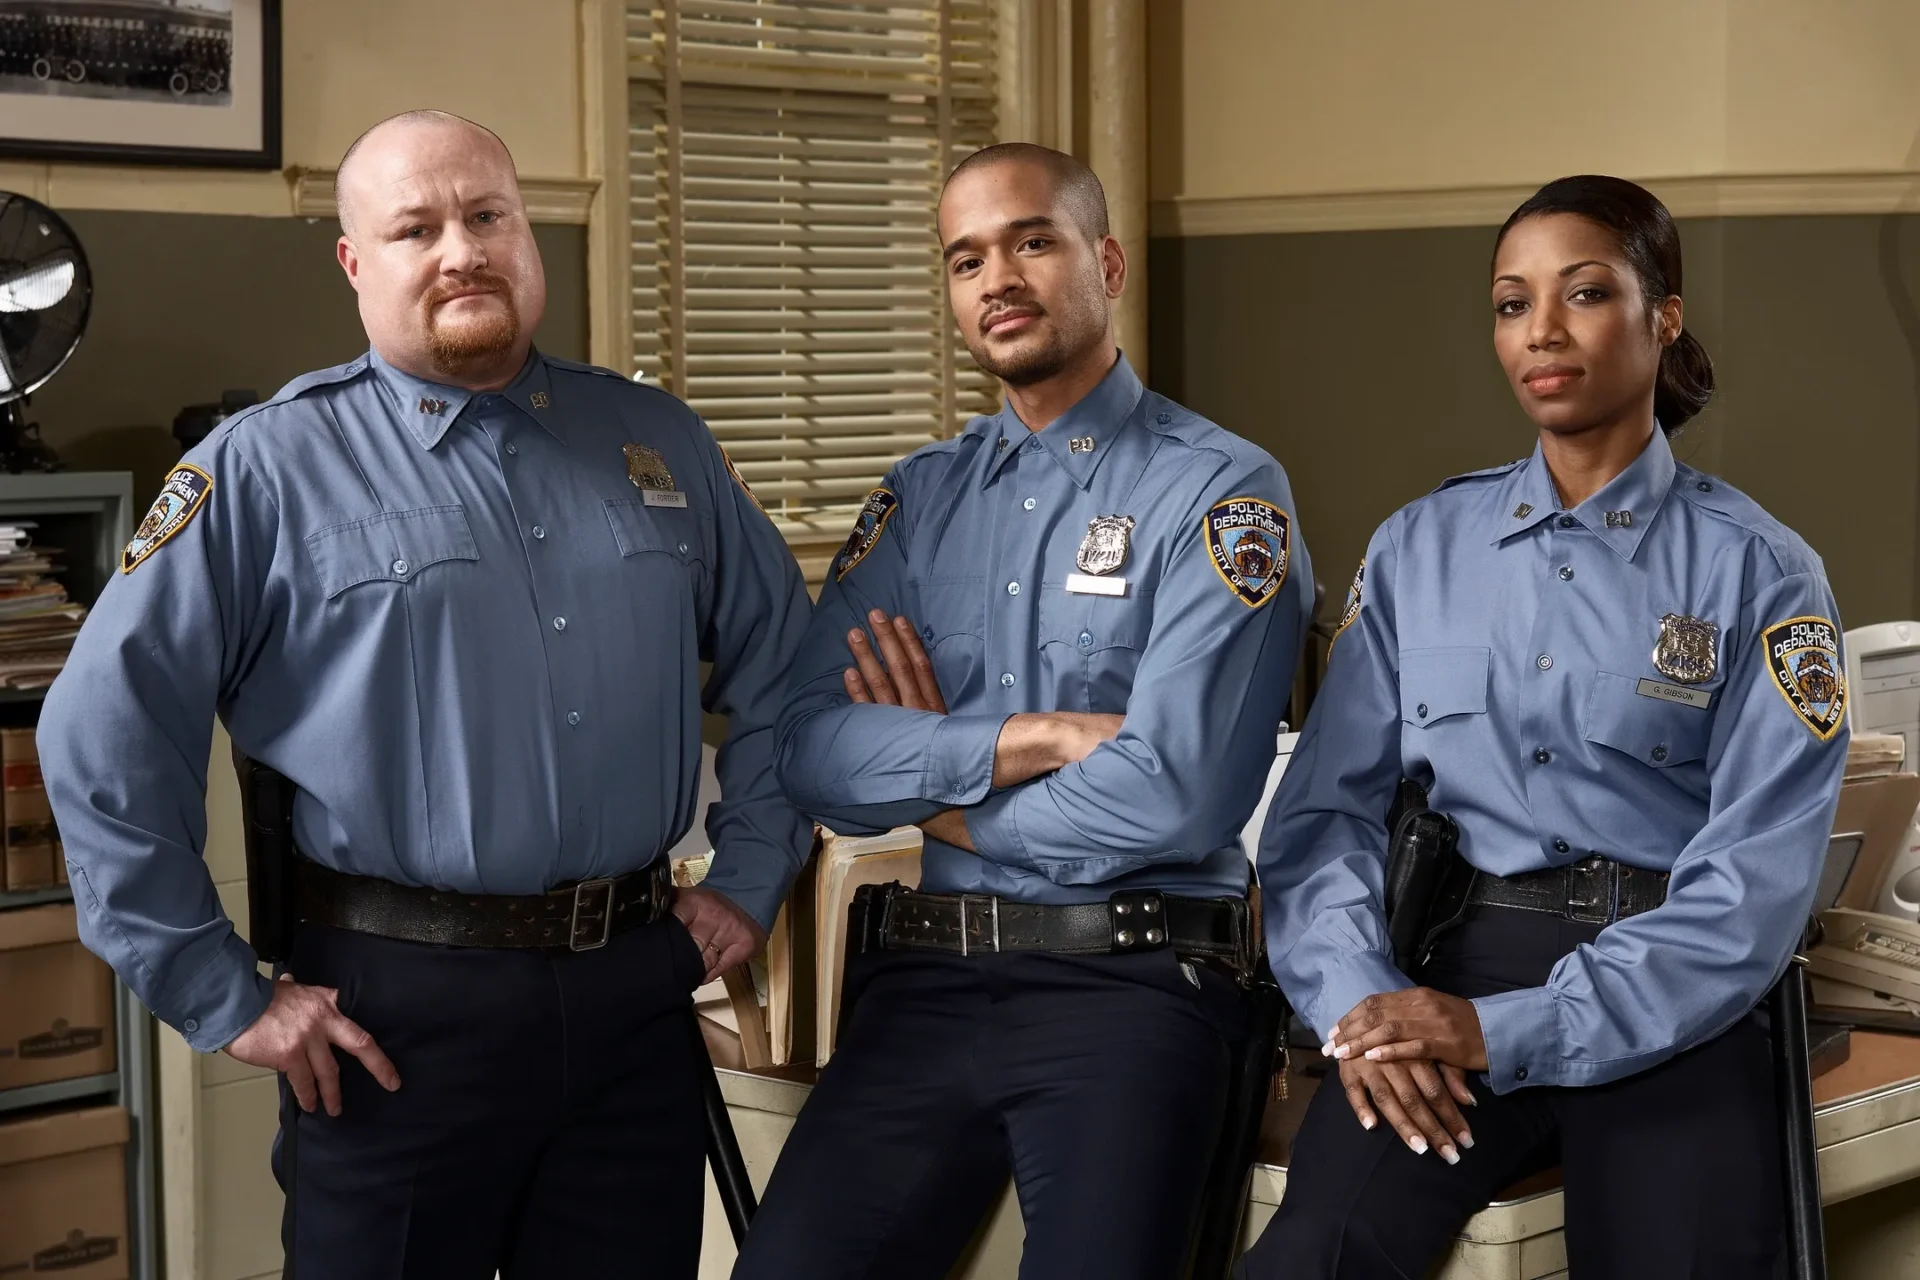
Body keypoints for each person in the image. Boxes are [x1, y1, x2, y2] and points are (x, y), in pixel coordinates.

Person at [37, 110, 813, 1279]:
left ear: (527, 232)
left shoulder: (657, 442)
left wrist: (750, 876)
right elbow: (102, 733)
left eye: (488, 215)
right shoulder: (263, 465)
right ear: (357, 262)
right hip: (394, 1016)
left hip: (635, 996)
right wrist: (218, 989)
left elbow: (790, 672)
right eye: (416, 227)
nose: (462, 250)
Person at [1238, 175, 1849, 1279]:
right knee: (1319, 1253)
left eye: (1584, 293)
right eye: (1511, 303)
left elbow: (1756, 885)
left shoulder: (1763, 571)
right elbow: (1321, 818)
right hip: (1456, 960)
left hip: (1679, 983)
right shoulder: (1421, 547)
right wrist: (1362, 1004)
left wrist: (1504, 1033)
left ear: (1663, 316)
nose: (1543, 332)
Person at [729, 142, 1315, 1280]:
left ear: (1107, 262)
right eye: (965, 258)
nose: (997, 276)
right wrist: (1022, 741)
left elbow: (1176, 793)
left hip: (1133, 987)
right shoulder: (918, 499)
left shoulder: (1222, 490)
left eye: (1031, 240)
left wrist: (935, 795)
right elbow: (807, 745)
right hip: (926, 985)